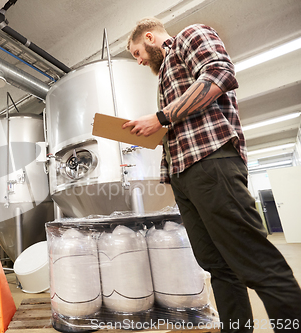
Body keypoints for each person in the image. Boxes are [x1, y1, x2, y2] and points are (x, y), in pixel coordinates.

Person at [123, 17, 301, 333]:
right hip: (185, 175)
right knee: (218, 266)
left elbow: (219, 74)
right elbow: (182, 120)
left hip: (211, 162)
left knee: (256, 261)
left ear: (150, 37)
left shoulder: (191, 34)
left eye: (137, 52)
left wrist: (161, 117)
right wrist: (156, 130)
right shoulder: (165, 74)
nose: (138, 61)